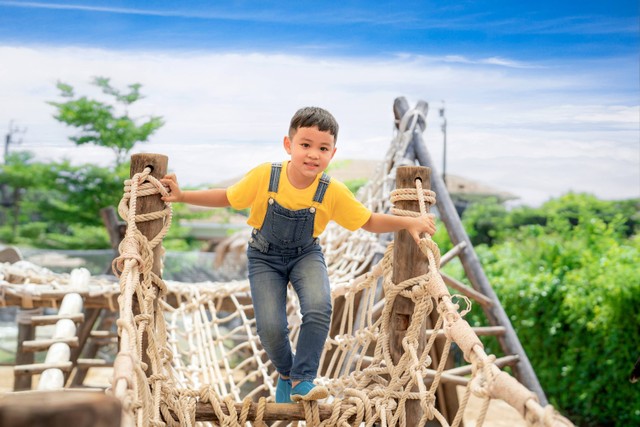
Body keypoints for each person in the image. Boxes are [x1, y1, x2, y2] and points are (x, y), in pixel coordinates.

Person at [161, 106, 436, 403]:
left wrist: (409, 221)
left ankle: (303, 380)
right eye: (305, 145)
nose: (313, 154)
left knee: (319, 307)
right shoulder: (267, 175)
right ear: (288, 145)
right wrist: (182, 195)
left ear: (332, 153)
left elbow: (368, 220)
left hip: (306, 254)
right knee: (270, 327)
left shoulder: (332, 190)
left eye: (323, 148)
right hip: (264, 256)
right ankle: (287, 373)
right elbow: (227, 197)